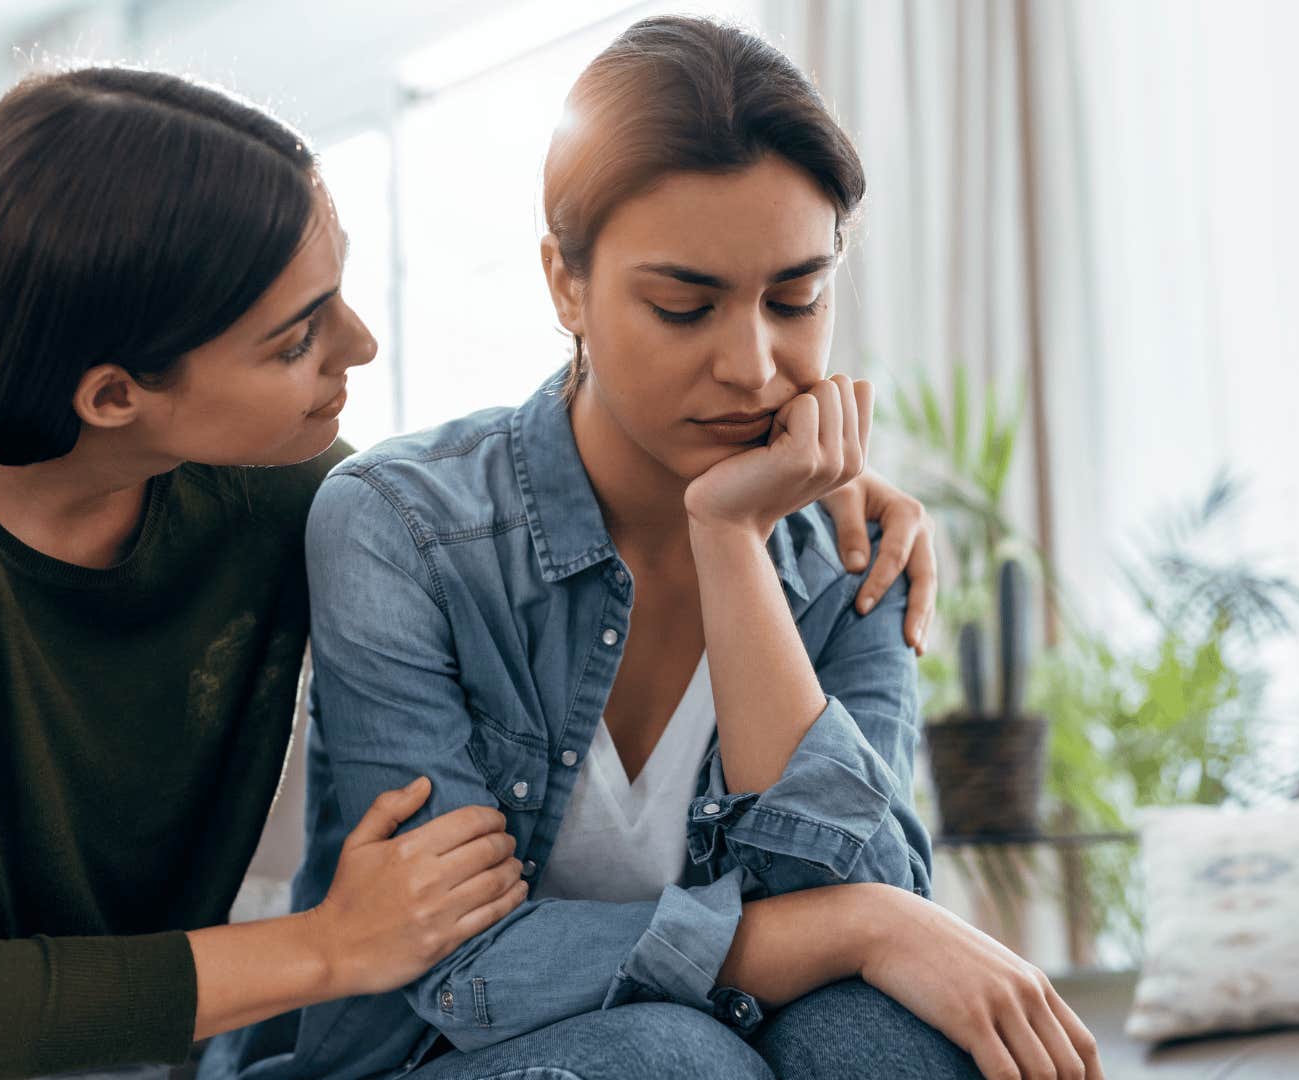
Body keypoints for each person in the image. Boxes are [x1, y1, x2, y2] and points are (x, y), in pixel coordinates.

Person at [0, 64, 939, 1080]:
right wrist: (329, 948)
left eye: (343, 297)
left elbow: (511, 498)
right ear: (114, 395)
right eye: (300, 336)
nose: (358, 347)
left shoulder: (278, 491)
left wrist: (792, 491)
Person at [205, 17, 1100, 1080]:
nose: (754, 366)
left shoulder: (853, 548)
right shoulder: (404, 527)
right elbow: (454, 966)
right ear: (566, 285)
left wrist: (731, 544)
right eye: (685, 307)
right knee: (671, 1059)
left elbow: (871, 882)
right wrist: (856, 926)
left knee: (894, 1045)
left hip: (710, 1040)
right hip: (427, 1058)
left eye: (797, 299)